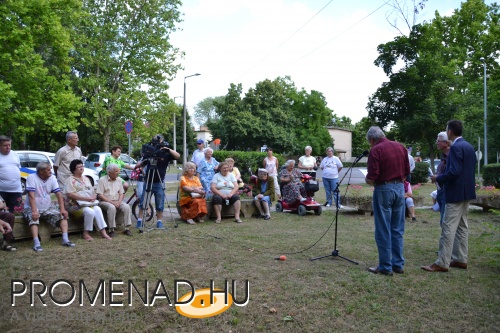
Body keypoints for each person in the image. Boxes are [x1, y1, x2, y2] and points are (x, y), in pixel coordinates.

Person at [422, 120, 476, 272]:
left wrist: (438, 178)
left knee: (448, 228)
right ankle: (460, 259)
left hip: (455, 193)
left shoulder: (456, 147)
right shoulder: (469, 147)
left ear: (450, 132)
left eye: (447, 130)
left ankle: (442, 262)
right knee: (462, 227)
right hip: (466, 193)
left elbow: (454, 171)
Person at [365, 126, 410, 276]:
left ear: (372, 139)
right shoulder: (400, 147)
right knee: (397, 228)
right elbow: (407, 171)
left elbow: (373, 176)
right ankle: (398, 264)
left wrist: (368, 180)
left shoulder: (376, 150)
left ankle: (385, 266)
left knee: (383, 228)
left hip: (383, 189)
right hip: (399, 189)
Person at [23, 162, 76, 252]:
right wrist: (34, 211)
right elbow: (31, 196)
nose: (50, 171)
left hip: (47, 207)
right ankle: (36, 243)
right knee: (33, 218)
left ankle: (65, 239)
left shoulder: (52, 178)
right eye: (48, 170)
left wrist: (62, 209)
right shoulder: (32, 177)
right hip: (32, 207)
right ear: (41, 171)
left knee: (62, 216)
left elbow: (59, 194)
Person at [135, 134, 180, 229]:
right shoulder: (149, 151)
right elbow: (140, 164)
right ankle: (139, 221)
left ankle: (159, 222)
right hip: (148, 181)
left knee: (160, 203)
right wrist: (142, 164)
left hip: (159, 182)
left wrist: (168, 149)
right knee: (144, 202)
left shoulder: (166, 152)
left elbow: (177, 156)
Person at [64, 160, 111, 240]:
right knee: (89, 211)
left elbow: (92, 190)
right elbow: (70, 194)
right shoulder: (70, 180)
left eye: (82, 166)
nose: (82, 168)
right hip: (74, 205)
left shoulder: (86, 178)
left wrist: (93, 196)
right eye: (79, 167)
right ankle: (86, 233)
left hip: (88, 203)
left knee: (97, 209)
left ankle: (103, 232)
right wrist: (86, 198)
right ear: (74, 169)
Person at [96, 164, 132, 237]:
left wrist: (118, 202)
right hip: (105, 202)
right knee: (111, 207)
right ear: (109, 172)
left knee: (126, 206)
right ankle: (111, 230)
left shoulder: (119, 179)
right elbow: (100, 195)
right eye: (116, 171)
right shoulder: (102, 180)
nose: (118, 172)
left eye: (118, 171)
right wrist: (112, 202)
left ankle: (127, 228)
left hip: (117, 201)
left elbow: (122, 193)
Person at [0, 135, 23, 213]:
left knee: (15, 213)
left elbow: (18, 168)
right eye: (5, 145)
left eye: (9, 145)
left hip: (16, 190)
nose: (8, 147)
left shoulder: (15, 155)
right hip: (1, 190)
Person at [435, 131, 451, 226]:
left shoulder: (451, 156)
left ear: (446, 143)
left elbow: (450, 174)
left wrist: (437, 178)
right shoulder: (444, 156)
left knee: (444, 223)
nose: (437, 143)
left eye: (439, 141)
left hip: (446, 191)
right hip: (441, 191)